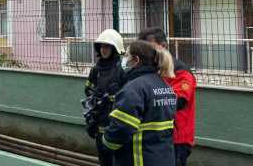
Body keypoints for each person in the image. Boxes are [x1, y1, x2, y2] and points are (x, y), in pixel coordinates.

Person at [102, 40, 177, 166]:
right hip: (164, 158)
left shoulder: (133, 88)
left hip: (139, 159)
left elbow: (121, 128)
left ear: (136, 60)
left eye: (126, 55)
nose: (124, 59)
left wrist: (105, 142)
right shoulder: (165, 86)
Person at [138, 28, 196, 166]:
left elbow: (177, 101)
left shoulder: (181, 72)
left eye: (149, 47)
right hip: (157, 136)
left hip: (177, 139)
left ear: (163, 46)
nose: (145, 53)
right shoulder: (151, 71)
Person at [83, 29, 127, 166]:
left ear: (115, 48)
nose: (103, 50)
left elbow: (128, 96)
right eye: (101, 46)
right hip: (99, 121)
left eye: (107, 46)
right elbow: (87, 90)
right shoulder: (95, 69)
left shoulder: (122, 70)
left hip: (116, 123)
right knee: (103, 159)